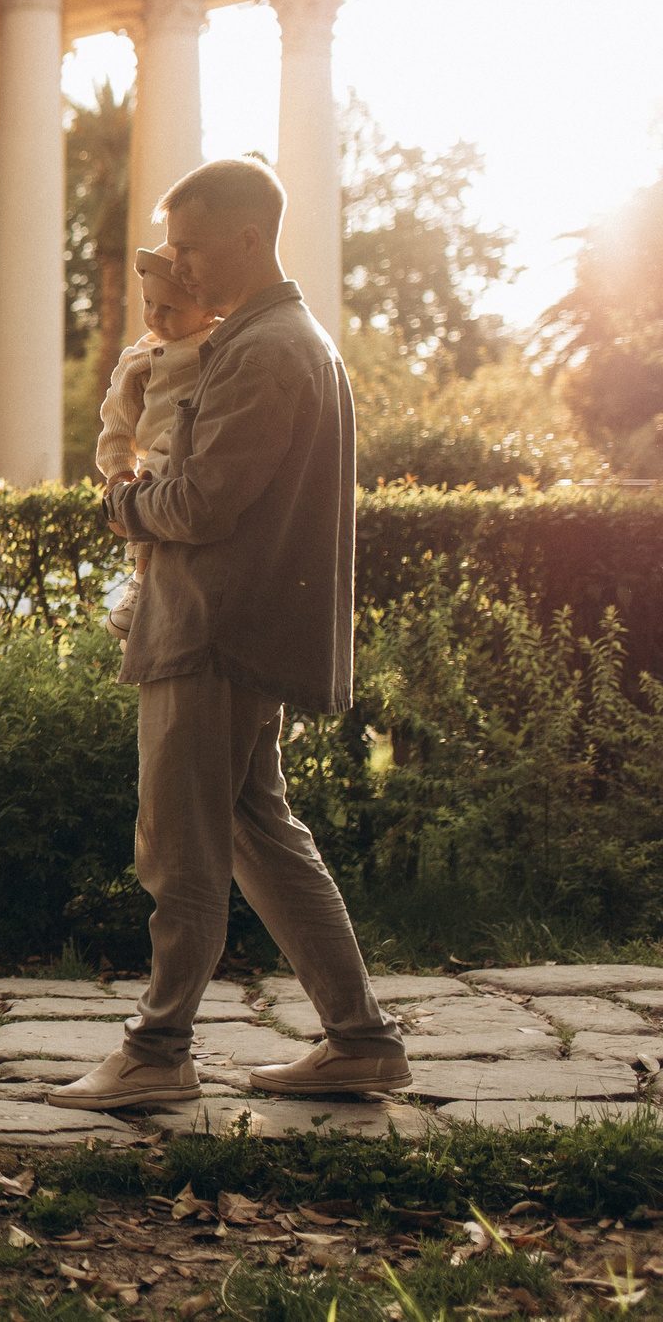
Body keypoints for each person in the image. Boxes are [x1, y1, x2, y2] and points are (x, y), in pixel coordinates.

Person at [53, 159, 410, 1111]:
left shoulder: (263, 349)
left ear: (249, 239)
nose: (179, 266)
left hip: (210, 629)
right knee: (258, 832)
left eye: (191, 245)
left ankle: (159, 1050)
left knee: (182, 849)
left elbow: (205, 499)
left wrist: (126, 502)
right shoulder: (287, 340)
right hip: (234, 629)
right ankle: (361, 1039)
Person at [95, 250, 224, 639]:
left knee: (162, 500)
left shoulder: (221, 345)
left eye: (169, 307)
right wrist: (118, 469)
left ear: (207, 312)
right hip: (153, 453)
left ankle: (142, 586)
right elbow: (116, 415)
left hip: (192, 447)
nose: (154, 316)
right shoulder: (140, 357)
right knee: (144, 501)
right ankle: (140, 582)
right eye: (149, 303)